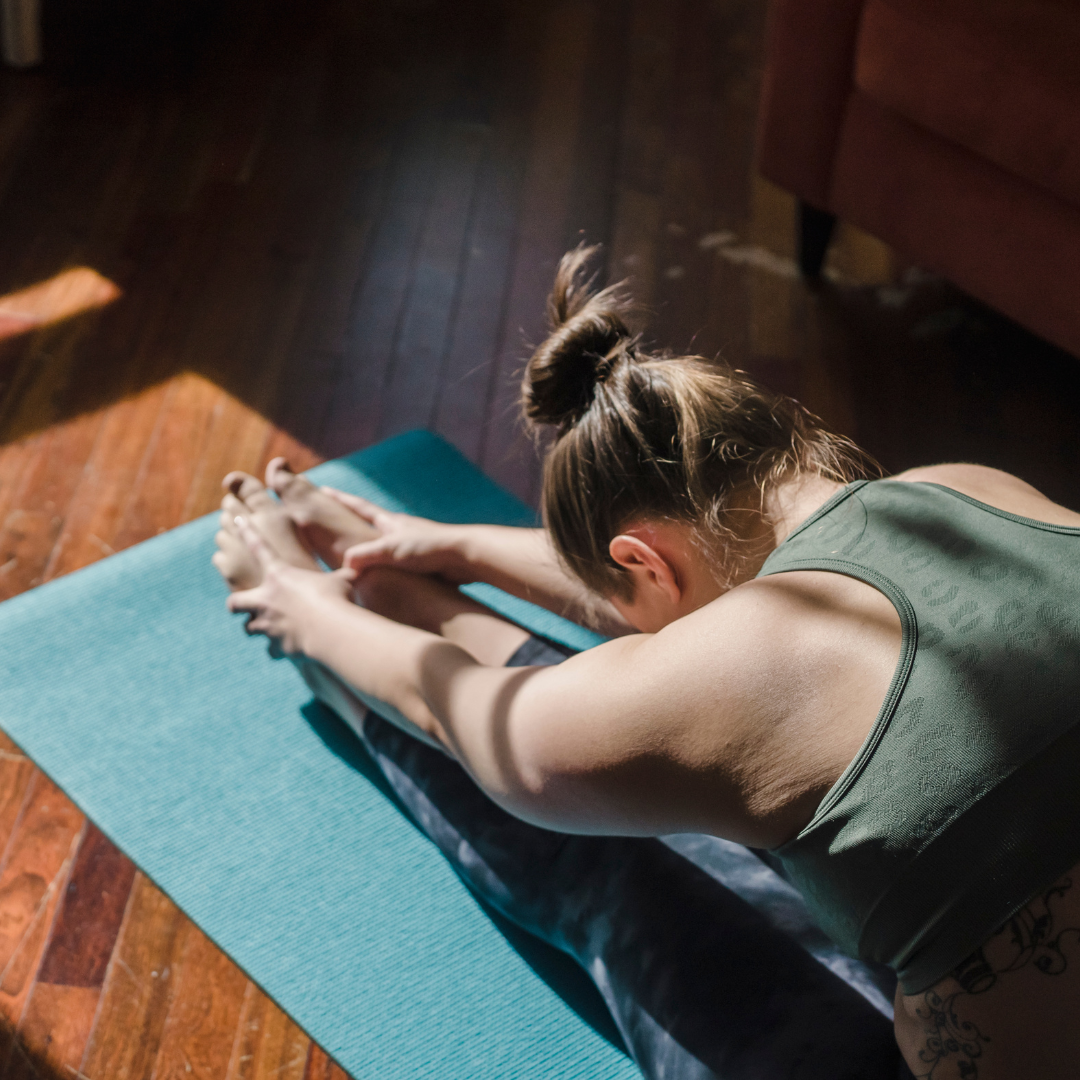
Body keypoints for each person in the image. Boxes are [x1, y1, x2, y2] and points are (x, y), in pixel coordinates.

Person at [214, 247, 1080, 1080]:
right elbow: (712, 589)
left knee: (621, 874)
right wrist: (464, 549)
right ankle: (416, 597)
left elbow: (485, 726)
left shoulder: (748, 668)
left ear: (643, 563)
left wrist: (302, 611)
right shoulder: (964, 491)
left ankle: (371, 630)